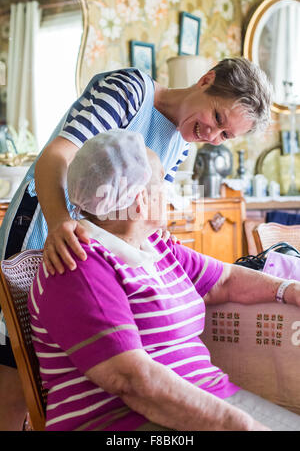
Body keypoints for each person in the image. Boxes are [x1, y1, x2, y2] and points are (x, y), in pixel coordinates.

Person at [0, 57, 272, 430]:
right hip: (47, 221)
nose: (213, 136)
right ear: (206, 80)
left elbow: (147, 217)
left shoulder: (182, 139)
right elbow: (58, 156)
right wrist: (60, 222)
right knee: (19, 375)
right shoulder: (131, 90)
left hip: (100, 255)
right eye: (219, 118)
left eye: (225, 136)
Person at [28, 130, 300, 431]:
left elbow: (224, 280)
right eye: (163, 182)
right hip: (128, 423)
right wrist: (237, 424)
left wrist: (288, 289)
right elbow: (132, 381)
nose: (169, 192)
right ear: (141, 200)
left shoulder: (155, 244)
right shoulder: (79, 265)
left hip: (211, 399)